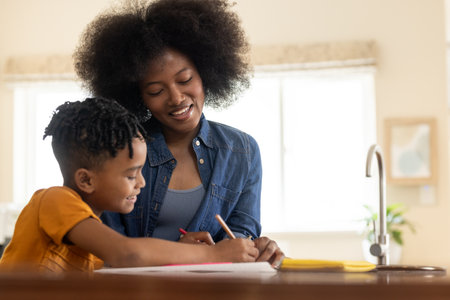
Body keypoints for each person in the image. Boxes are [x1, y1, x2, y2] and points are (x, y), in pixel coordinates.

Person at [74, 0, 284, 267]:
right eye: (156, 91)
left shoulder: (242, 150)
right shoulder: (120, 150)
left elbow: (242, 233)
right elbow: (108, 246)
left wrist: (257, 248)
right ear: (137, 97)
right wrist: (184, 254)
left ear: (206, 73)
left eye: (185, 80)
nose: (176, 98)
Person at [0, 98, 258, 273]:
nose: (142, 183)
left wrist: (180, 252)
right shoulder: (54, 200)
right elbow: (128, 255)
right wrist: (214, 256)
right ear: (86, 180)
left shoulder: (92, 235)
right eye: (131, 175)